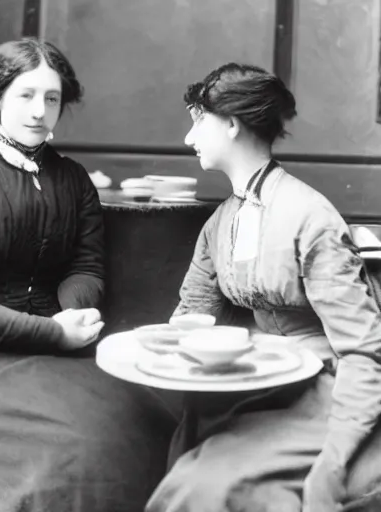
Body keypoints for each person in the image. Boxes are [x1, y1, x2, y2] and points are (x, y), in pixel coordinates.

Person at [0, 38, 175, 512]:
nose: (39, 110)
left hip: (62, 351)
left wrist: (73, 316)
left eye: (51, 98)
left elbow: (86, 265)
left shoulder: (73, 179)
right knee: (77, 450)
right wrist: (51, 333)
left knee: (142, 418)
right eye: (25, 95)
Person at [146, 63, 381, 512]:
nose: (188, 138)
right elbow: (192, 314)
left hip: (331, 397)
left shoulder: (309, 216)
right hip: (263, 385)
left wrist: (333, 462)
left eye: (198, 120)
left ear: (232, 124)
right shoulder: (220, 223)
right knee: (186, 459)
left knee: (210, 484)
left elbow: (365, 352)